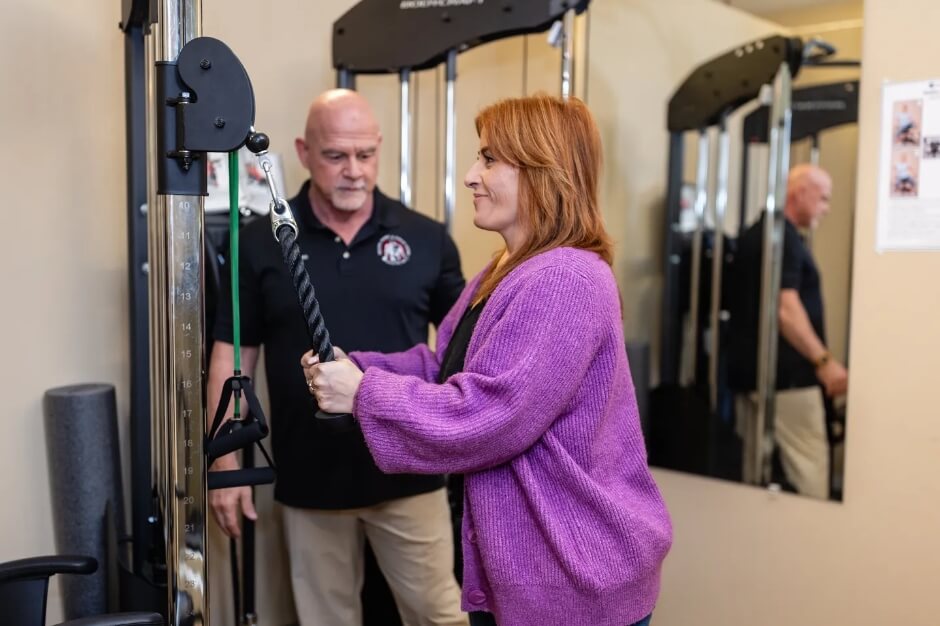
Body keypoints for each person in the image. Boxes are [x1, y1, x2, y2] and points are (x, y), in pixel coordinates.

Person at [302, 95, 673, 626]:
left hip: (573, 583)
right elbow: (442, 367)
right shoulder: (504, 270)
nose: (472, 176)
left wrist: (362, 393)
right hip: (521, 577)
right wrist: (354, 365)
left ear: (543, 173)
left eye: (490, 160)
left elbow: (491, 416)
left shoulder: (566, 278)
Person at [208, 89, 468, 626]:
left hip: (410, 474)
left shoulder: (425, 239)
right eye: (336, 156)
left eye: (366, 154)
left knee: (440, 615)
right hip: (311, 480)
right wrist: (224, 462)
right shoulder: (261, 242)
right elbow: (235, 354)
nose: (354, 171)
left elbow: (464, 348)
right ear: (304, 152)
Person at [727, 164, 848, 500]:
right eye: (823, 199)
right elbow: (786, 309)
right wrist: (824, 361)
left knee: (754, 475)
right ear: (801, 193)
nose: (826, 208)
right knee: (811, 473)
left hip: (756, 377)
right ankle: (817, 547)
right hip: (788, 381)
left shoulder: (758, 233)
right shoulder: (784, 238)